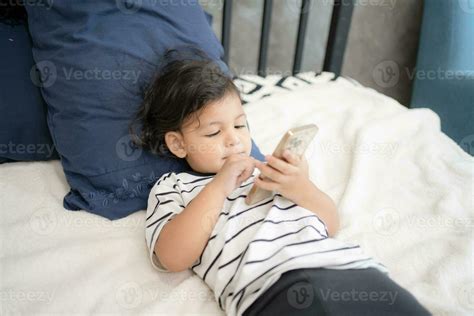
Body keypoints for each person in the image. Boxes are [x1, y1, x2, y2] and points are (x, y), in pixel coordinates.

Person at [129, 48, 431, 316]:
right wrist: (219, 186)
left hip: (352, 269)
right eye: (213, 133)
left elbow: (330, 223)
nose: (234, 139)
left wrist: (301, 187)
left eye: (239, 124)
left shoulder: (270, 170)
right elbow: (172, 257)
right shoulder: (174, 187)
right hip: (273, 288)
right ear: (178, 144)